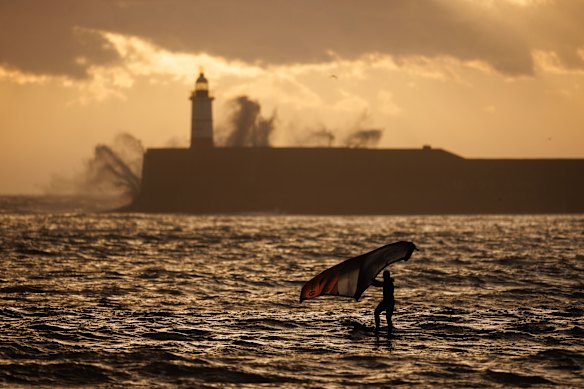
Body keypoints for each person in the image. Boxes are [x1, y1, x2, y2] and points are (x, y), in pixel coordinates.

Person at [371, 270, 395, 337]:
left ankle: (388, 332)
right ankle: (378, 328)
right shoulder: (387, 282)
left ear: (387, 276)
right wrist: (372, 280)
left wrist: (371, 281)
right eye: (384, 276)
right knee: (377, 313)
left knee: (388, 317)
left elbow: (378, 284)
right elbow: (379, 283)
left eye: (385, 276)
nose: (384, 277)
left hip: (389, 302)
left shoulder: (388, 283)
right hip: (386, 301)